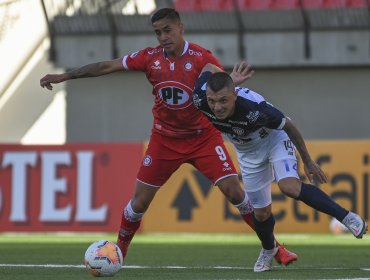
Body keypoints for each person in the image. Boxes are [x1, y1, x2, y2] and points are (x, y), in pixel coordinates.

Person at [39, 8, 297, 267]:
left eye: (167, 30)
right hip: (164, 140)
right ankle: (118, 253)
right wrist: (65, 76)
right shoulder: (149, 58)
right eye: (158, 32)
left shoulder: (201, 58)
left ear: (180, 28)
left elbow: (222, 86)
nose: (163, 37)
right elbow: (108, 65)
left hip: (202, 138)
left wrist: (231, 78)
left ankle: (275, 248)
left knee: (236, 193)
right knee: (139, 203)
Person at [192, 62, 368, 272]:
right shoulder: (199, 98)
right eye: (212, 101)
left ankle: (347, 217)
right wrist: (229, 81)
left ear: (235, 97)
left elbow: (290, 126)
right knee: (261, 214)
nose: (217, 107)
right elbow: (208, 67)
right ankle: (268, 250)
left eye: (224, 100)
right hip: (247, 152)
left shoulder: (254, 108)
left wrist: (308, 161)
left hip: (273, 140)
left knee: (289, 187)